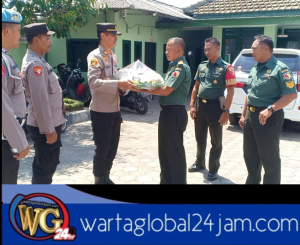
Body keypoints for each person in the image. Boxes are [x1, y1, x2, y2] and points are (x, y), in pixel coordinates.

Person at [239, 35, 297, 184]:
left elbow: (291, 94)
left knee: (269, 158)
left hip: (268, 118)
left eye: (254, 48)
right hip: (251, 117)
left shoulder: (280, 69)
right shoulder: (255, 68)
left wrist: (270, 109)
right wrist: (243, 114)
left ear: (265, 48)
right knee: (250, 156)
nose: (252, 51)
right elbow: (250, 93)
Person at [133, 37, 191, 184]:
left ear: (179, 49)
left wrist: (138, 88)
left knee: (175, 154)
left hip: (174, 114)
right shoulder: (173, 67)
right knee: (164, 152)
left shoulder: (181, 68)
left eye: (168, 49)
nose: (166, 52)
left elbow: (166, 91)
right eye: (166, 49)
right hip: (166, 113)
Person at [87, 23, 136, 184]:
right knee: (102, 148)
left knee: (112, 147)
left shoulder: (112, 56)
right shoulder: (95, 57)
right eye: (113, 35)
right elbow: (93, 82)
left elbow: (114, 81)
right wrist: (118, 84)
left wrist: (122, 88)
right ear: (102, 35)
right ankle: (99, 178)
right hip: (101, 111)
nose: (116, 38)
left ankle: (106, 175)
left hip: (114, 109)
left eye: (116, 35)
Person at [21, 23, 66, 184]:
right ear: (36, 40)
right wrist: (48, 130)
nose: (50, 41)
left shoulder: (39, 61)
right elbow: (40, 100)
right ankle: (38, 202)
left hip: (49, 123)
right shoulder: (35, 65)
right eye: (47, 38)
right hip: (44, 126)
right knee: (44, 168)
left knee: (47, 165)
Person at [188, 37, 236, 181]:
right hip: (200, 107)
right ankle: (200, 163)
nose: (206, 52)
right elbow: (196, 86)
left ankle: (213, 169)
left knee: (216, 141)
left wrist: (226, 112)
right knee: (200, 138)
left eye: (209, 49)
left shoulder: (227, 68)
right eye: (205, 49)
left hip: (216, 107)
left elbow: (231, 91)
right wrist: (191, 106)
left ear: (218, 48)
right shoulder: (202, 66)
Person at [2, 8, 30, 184]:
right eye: (19, 31)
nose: (20, 35)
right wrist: (19, 142)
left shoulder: (6, 58)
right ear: (6, 31)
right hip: (4, 141)